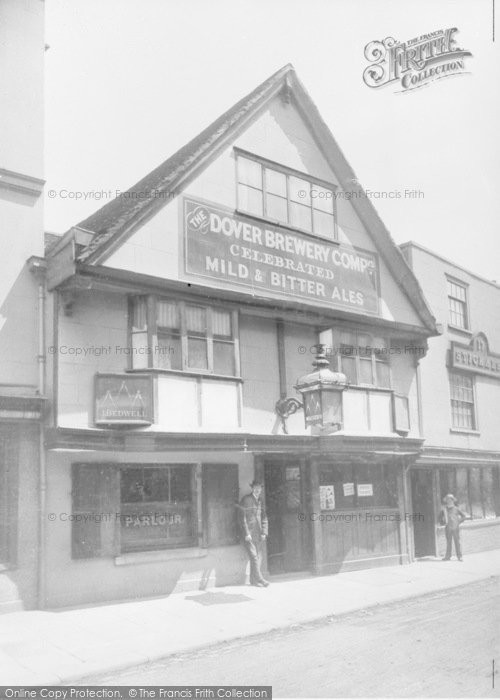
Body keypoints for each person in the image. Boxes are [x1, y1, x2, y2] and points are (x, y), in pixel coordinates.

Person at [238, 479, 270, 587]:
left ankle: (253, 581)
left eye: (259, 488)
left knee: (256, 557)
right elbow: (242, 518)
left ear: (261, 489)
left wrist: (264, 532)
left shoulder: (261, 501)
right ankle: (260, 579)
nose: (257, 490)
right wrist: (246, 533)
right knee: (254, 556)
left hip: (258, 534)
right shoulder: (246, 500)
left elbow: (264, 517)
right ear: (252, 488)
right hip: (248, 534)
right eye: (255, 488)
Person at [440, 493, 467, 561]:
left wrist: (458, 522)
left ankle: (459, 556)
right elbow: (440, 519)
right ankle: (448, 556)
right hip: (448, 528)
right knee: (449, 543)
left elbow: (464, 516)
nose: (449, 501)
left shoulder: (456, 509)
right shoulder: (444, 510)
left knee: (457, 542)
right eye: (447, 500)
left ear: (453, 500)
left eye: (450, 500)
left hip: (455, 528)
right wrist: (443, 521)